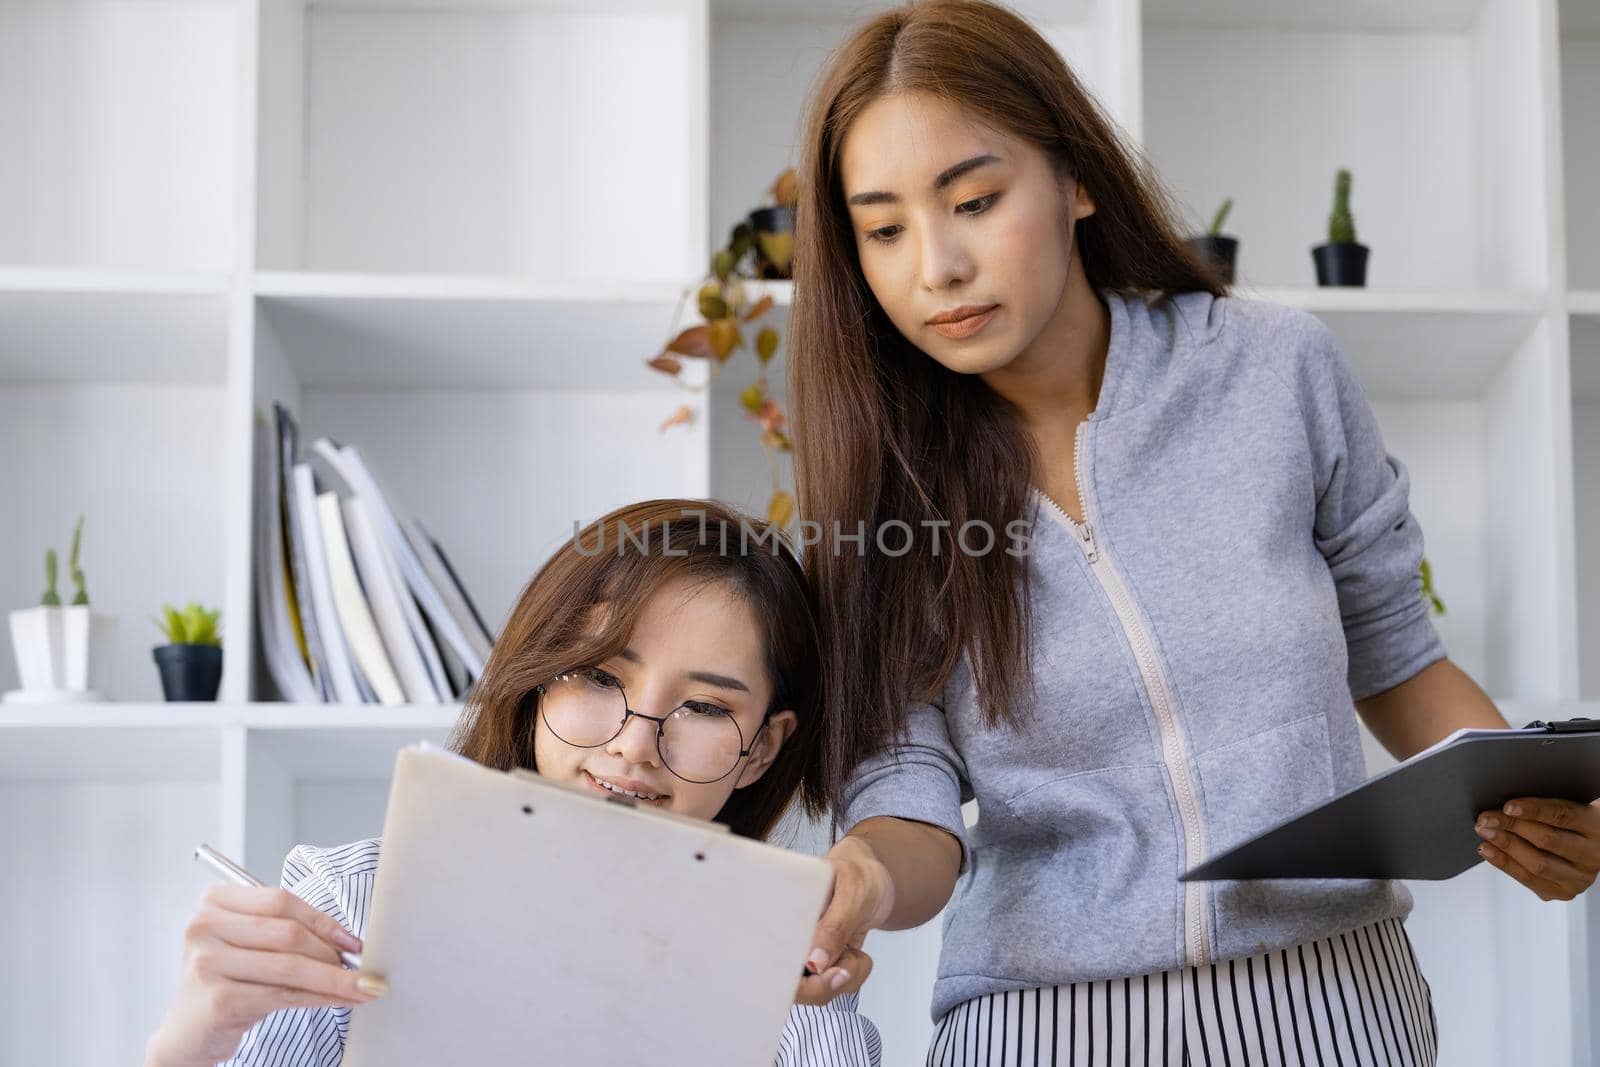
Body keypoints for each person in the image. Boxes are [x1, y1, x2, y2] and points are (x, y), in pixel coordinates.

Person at [782, 2, 1600, 1063]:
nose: (934, 265)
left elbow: (1395, 651)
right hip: (1036, 1023)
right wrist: (866, 873)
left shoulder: (1272, 369)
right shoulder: (885, 488)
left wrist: (1534, 809)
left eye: (974, 200)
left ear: (1075, 180)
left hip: (1328, 1001)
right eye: (883, 228)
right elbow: (908, 791)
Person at [144, 499, 881, 1067]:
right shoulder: (354, 901)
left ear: (761, 749)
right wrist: (188, 1047)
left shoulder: (786, 972)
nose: (634, 744)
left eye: (703, 706)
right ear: (536, 685)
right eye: (597, 675)